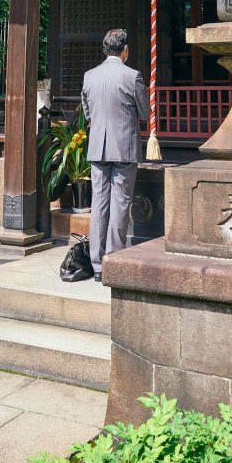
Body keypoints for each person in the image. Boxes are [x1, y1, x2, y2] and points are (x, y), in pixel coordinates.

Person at [81, 27, 150, 282]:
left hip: (98, 147)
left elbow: (88, 114)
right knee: (120, 203)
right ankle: (113, 260)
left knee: (99, 203)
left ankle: (97, 264)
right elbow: (144, 113)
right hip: (124, 148)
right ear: (125, 50)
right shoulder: (132, 76)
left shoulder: (89, 76)